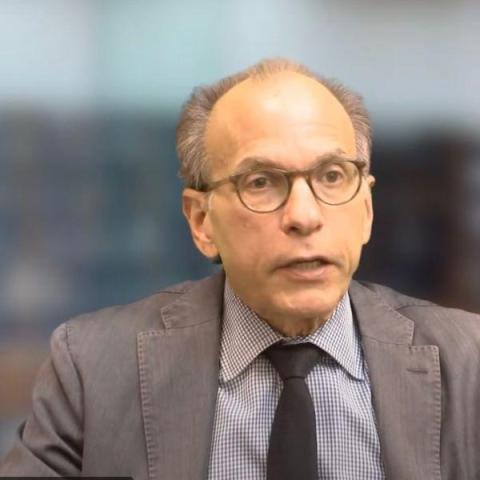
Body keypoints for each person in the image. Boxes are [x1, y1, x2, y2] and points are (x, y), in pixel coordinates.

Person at [1, 58, 479, 480]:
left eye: (332, 176)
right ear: (202, 221)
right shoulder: (93, 368)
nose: (304, 216)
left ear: (367, 210)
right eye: (261, 182)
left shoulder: (468, 362)